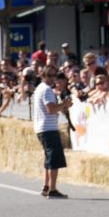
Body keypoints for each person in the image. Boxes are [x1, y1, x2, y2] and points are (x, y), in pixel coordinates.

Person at [31, 65, 72, 198]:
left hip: (42, 128)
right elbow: (51, 109)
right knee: (54, 160)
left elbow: (50, 108)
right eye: (49, 75)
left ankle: (46, 186)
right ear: (43, 76)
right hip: (48, 128)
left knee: (49, 159)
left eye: (54, 76)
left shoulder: (40, 89)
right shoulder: (47, 90)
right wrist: (64, 104)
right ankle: (52, 189)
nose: (52, 78)